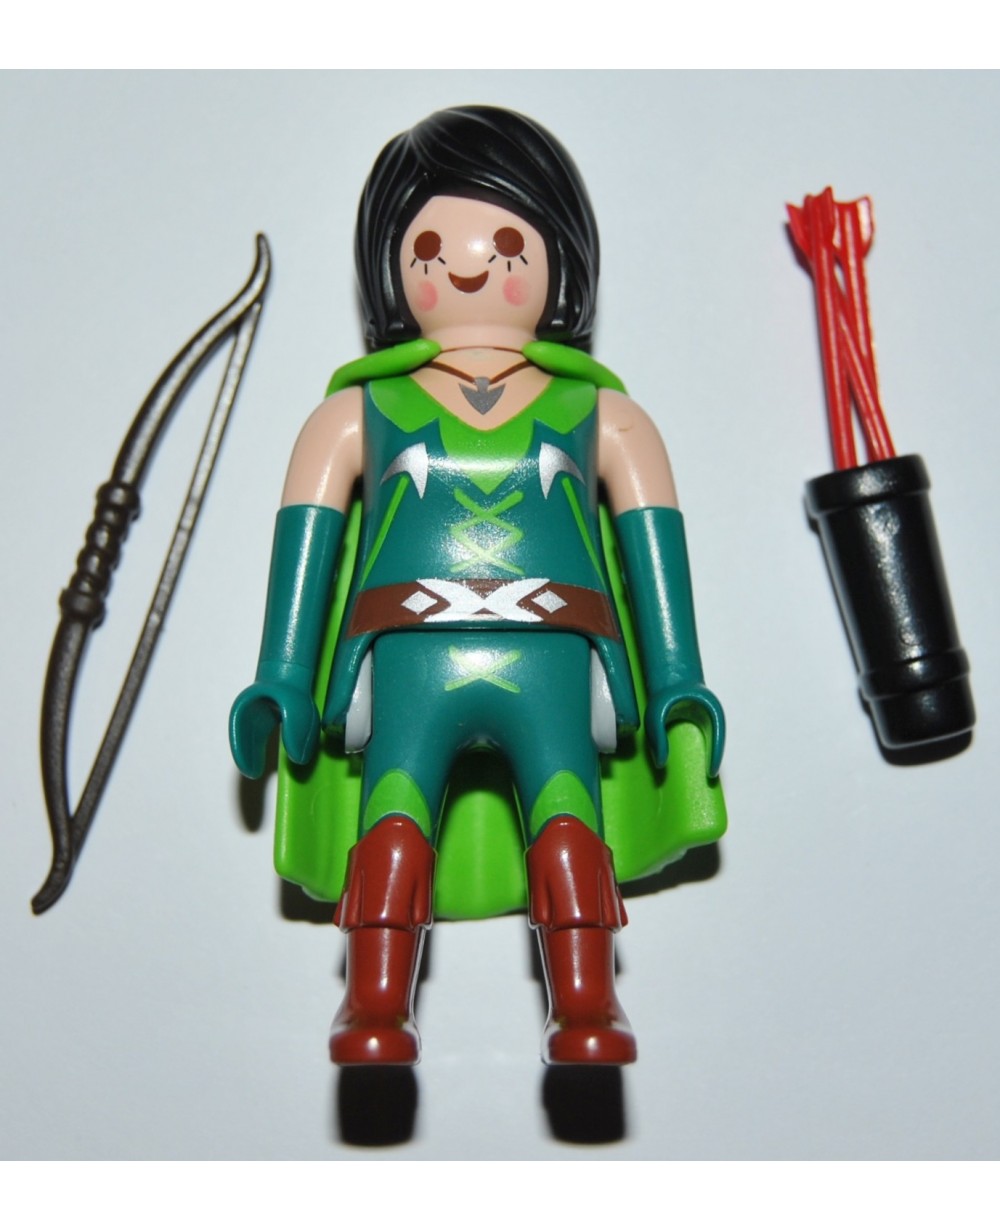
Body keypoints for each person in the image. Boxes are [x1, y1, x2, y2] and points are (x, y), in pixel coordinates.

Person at [230, 105, 725, 1067]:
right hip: (408, 652)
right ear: (392, 267)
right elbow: (308, 547)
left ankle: (587, 1001)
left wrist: (676, 678)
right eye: (428, 247)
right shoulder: (356, 413)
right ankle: (375, 1003)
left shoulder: (605, 414)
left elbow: (654, 546)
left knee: (570, 822)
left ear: (559, 259)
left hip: (556, 652)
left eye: (506, 245)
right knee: (392, 822)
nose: (465, 269)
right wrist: (282, 676)